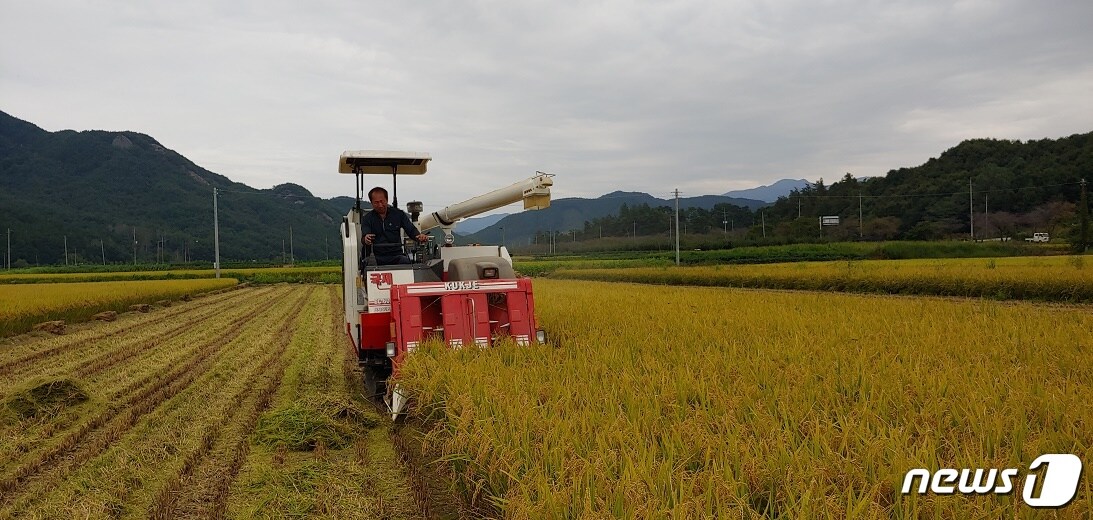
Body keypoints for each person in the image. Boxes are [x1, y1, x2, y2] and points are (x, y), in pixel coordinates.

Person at [362, 186, 428, 265]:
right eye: (376, 202)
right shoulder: (367, 218)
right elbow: (364, 237)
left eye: (382, 201)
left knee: (406, 262)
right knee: (367, 263)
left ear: (387, 200)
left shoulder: (399, 214)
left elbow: (411, 230)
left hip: (396, 255)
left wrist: (419, 236)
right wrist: (366, 239)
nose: (380, 205)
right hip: (376, 257)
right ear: (371, 203)